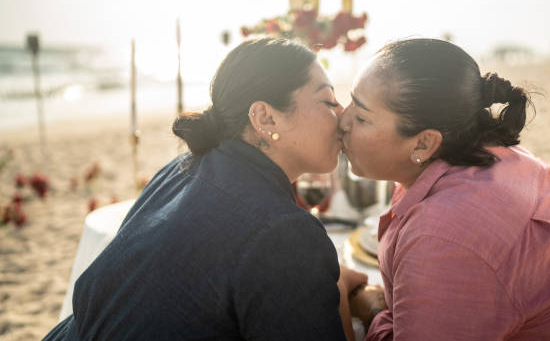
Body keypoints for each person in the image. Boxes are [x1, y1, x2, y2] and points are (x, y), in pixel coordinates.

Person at [42, 37, 366, 341]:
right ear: (265, 118)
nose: (342, 117)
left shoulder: (185, 167)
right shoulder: (286, 234)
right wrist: (346, 296)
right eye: (328, 100)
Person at [338, 38, 550, 340]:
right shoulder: (489, 155)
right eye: (349, 100)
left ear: (424, 143)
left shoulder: (444, 235)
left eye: (361, 117)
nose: (342, 120)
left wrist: (373, 309)